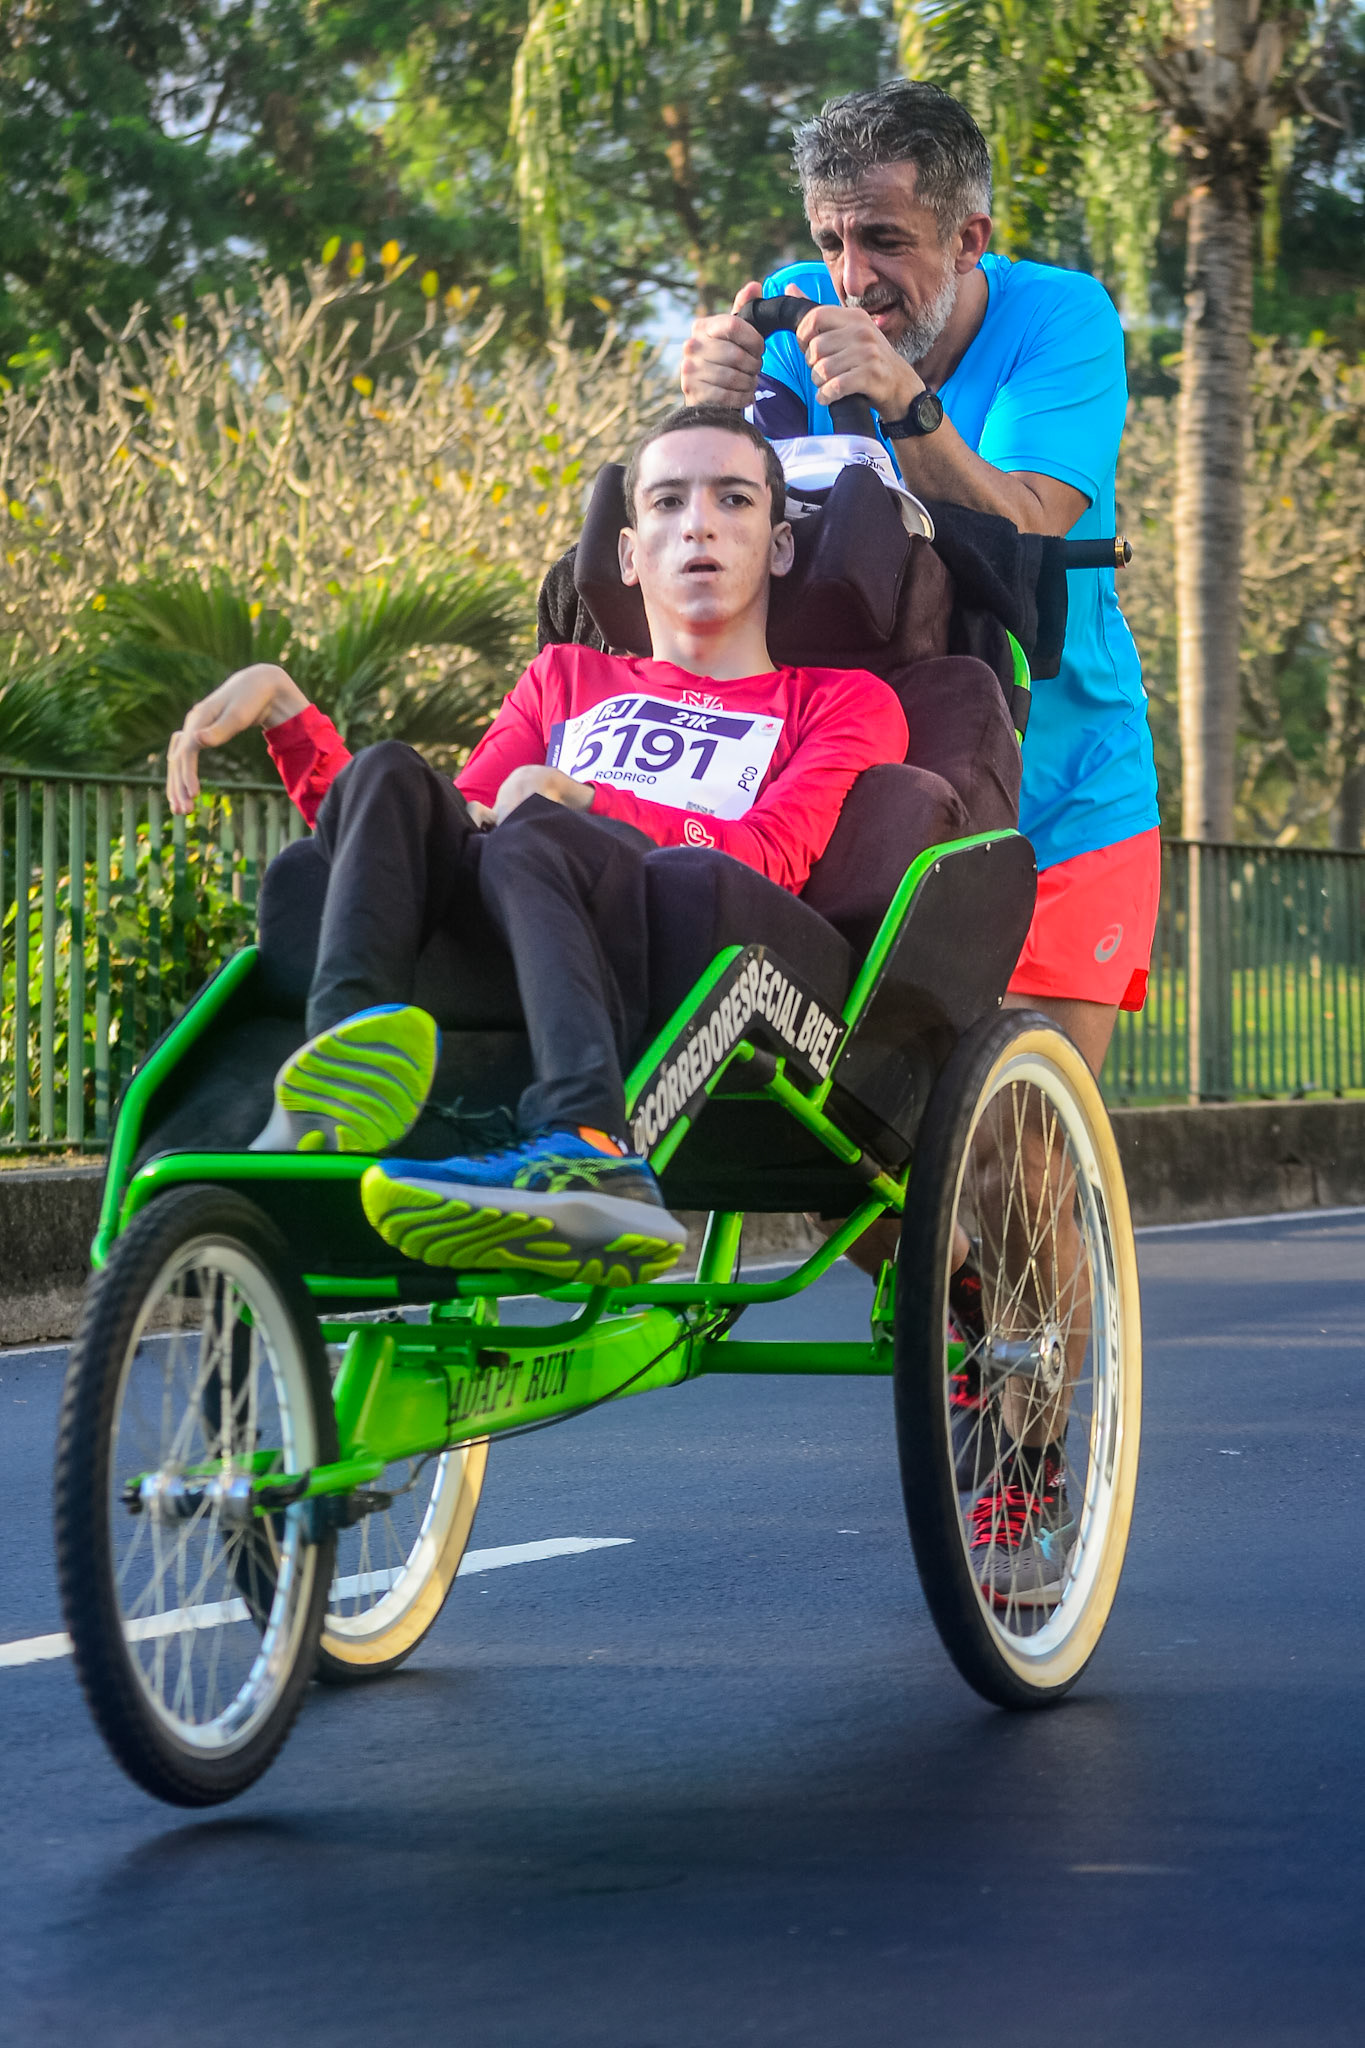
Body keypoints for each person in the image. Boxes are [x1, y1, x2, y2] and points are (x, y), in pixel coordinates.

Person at [681, 81, 1160, 1603]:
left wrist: (905, 403)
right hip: (896, 796)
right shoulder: (796, 337)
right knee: (879, 1157)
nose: (851, 275)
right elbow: (700, 542)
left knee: (1019, 1157)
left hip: (1071, 792)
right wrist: (697, 404)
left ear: (968, 234)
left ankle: (1027, 1447)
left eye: (882, 240)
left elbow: (1026, 508)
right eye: (829, 242)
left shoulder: (1060, 321)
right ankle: (970, 1340)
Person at [165, 405, 914, 1287]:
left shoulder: (838, 700)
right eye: (668, 502)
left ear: (780, 546)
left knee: (534, 834)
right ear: (629, 556)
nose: (700, 523)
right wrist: (292, 717)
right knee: (395, 774)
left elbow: (768, 857)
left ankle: (589, 1140)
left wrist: (589, 800)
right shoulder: (563, 675)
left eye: (734, 500)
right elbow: (436, 829)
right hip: (509, 920)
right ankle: (340, 1079)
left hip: (666, 924)